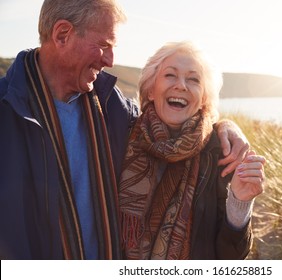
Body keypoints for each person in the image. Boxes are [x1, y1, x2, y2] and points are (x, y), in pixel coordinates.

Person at [0, 0, 249, 260]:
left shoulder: (111, 106)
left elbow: (168, 126)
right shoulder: (5, 112)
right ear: (63, 34)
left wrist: (225, 127)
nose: (110, 60)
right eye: (104, 45)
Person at [119, 41, 266, 260]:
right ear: (150, 90)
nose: (181, 85)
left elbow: (231, 257)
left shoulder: (222, 151)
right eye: (170, 75)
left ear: (203, 99)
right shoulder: (123, 137)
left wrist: (240, 203)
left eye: (193, 79)